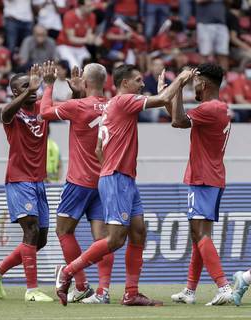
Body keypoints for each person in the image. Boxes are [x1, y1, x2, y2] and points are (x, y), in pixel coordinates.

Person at [54, 64, 195, 306]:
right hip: (117, 177)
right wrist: (180, 79)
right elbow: (161, 98)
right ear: (125, 83)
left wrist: (111, 169)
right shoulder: (123, 101)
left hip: (123, 177)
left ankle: (131, 292)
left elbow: (99, 149)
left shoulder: (112, 106)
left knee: (138, 231)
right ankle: (68, 271)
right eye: (138, 80)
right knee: (116, 239)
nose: (142, 84)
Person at [40, 62, 114, 304]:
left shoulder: (77, 106)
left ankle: (81, 284)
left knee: (64, 230)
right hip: (104, 180)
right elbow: (89, 113)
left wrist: (50, 84)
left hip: (78, 181)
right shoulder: (113, 106)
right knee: (102, 239)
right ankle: (103, 292)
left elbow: (45, 112)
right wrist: (77, 92)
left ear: (86, 81)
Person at [0, 65, 53, 303]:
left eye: (33, 85)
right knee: (30, 230)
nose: (32, 89)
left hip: (39, 181)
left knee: (40, 239)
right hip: (18, 179)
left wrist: (57, 85)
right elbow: (5, 113)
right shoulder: (11, 113)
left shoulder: (43, 107)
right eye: (24, 86)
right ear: (14, 92)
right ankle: (31, 290)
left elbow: (65, 108)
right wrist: (29, 91)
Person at [168, 63, 233, 306]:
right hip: (212, 177)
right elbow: (179, 117)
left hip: (203, 178)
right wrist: (172, 94)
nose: (193, 85)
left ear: (203, 84)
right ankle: (190, 290)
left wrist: (178, 87)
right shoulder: (219, 108)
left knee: (200, 234)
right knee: (198, 236)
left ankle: (223, 285)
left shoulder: (209, 108)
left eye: (195, 81)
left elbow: (178, 121)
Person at [56, 0, 98, 68]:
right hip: (65, 45)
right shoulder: (69, 15)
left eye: (92, 5)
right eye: (88, 6)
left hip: (80, 46)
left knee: (90, 67)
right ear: (81, 6)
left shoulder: (92, 16)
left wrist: (93, 39)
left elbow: (89, 36)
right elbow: (71, 39)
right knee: (75, 66)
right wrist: (89, 40)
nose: (92, 8)